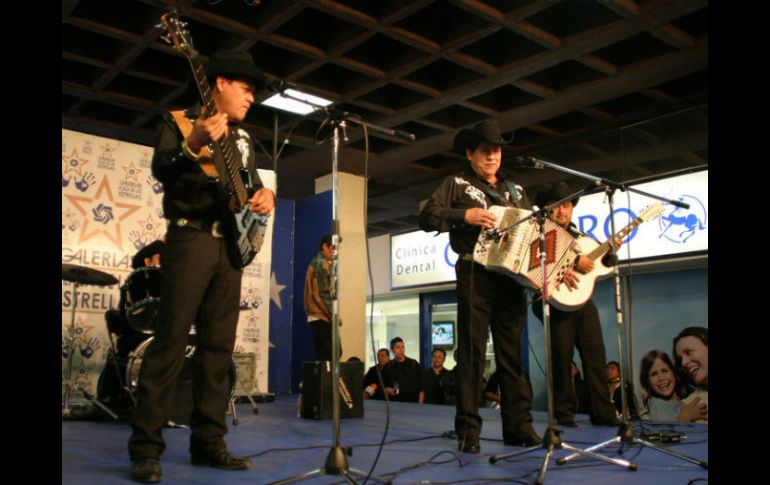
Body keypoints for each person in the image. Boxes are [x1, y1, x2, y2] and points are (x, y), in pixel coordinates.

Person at [127, 49, 275, 483]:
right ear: (221, 84)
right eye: (246, 89)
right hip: (189, 240)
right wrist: (192, 144)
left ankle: (209, 443)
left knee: (217, 350)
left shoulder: (244, 140)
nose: (252, 99)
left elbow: (250, 190)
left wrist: (265, 196)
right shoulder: (178, 121)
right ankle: (146, 450)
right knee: (170, 344)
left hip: (228, 248)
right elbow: (162, 169)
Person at [418, 120, 541, 453]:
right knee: (471, 355)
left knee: (511, 358)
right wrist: (466, 216)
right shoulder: (455, 183)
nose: (492, 156)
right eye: (485, 150)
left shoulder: (516, 191)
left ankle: (519, 427)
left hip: (510, 279)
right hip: (475, 273)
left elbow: (531, 232)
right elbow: (427, 216)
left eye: (497, 150)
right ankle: (468, 432)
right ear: (470, 153)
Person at [531, 182, 621, 428]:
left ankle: (603, 412)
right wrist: (571, 263)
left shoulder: (582, 237)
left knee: (596, 355)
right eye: (557, 206)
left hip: (582, 302)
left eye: (567, 206)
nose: (562, 211)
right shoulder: (539, 233)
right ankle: (563, 412)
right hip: (555, 302)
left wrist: (610, 254)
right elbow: (533, 265)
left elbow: (599, 266)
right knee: (561, 358)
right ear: (548, 210)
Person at [639, 350, 707, 422]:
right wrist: (685, 417)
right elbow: (666, 432)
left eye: (665, 371)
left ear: (674, 373)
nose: (661, 378)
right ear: (648, 383)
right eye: (654, 374)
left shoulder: (677, 400)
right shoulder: (657, 406)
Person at [303, 234, 341, 361]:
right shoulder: (322, 264)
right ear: (325, 246)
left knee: (326, 359)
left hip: (317, 317)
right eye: (333, 248)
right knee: (333, 354)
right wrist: (334, 316)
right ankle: (329, 381)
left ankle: (326, 380)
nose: (336, 253)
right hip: (321, 317)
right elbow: (321, 293)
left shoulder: (317, 263)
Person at [673, 326, 708, 422]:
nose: (684, 363)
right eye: (680, 359)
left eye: (688, 352)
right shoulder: (690, 405)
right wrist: (682, 419)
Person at [382, 337, 422, 403]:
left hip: (413, 403)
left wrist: (420, 404)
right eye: (398, 347)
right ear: (392, 350)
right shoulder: (388, 367)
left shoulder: (413, 364)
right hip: (394, 403)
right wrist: (387, 390)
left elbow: (422, 386)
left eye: (403, 347)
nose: (401, 350)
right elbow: (383, 386)